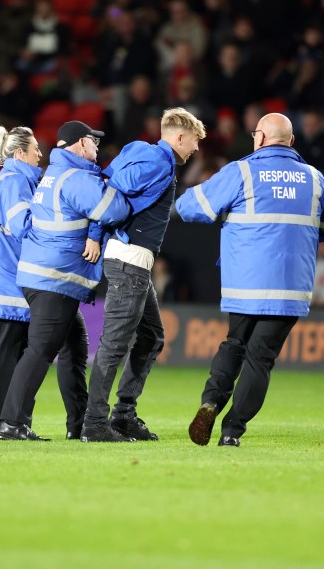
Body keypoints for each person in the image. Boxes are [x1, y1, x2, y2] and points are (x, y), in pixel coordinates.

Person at [177, 112, 324, 447]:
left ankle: (211, 401)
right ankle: (231, 431)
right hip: (290, 288)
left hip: (245, 283)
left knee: (234, 343)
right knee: (260, 358)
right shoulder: (314, 178)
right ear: (291, 142)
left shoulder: (241, 172)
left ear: (261, 139)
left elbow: (191, 207)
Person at [0, 121, 131, 440]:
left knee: (73, 346)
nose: (97, 148)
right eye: (94, 142)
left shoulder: (55, 174)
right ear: (81, 144)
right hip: (54, 278)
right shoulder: (76, 178)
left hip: (43, 275)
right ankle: (11, 422)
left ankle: (78, 424)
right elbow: (116, 209)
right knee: (41, 350)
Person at [82, 107, 205, 442]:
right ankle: (94, 423)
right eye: (194, 142)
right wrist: (95, 231)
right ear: (179, 137)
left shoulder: (138, 149)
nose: (195, 149)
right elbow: (111, 192)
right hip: (130, 261)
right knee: (115, 344)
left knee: (151, 337)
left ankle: (122, 416)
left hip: (133, 263)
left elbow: (106, 178)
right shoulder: (158, 162)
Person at [0, 126, 90, 440]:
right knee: (9, 350)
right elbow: (22, 226)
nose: (40, 154)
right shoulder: (15, 181)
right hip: (8, 279)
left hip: (10, 276)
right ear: (20, 153)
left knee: (12, 350)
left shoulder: (16, 180)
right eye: (35, 148)